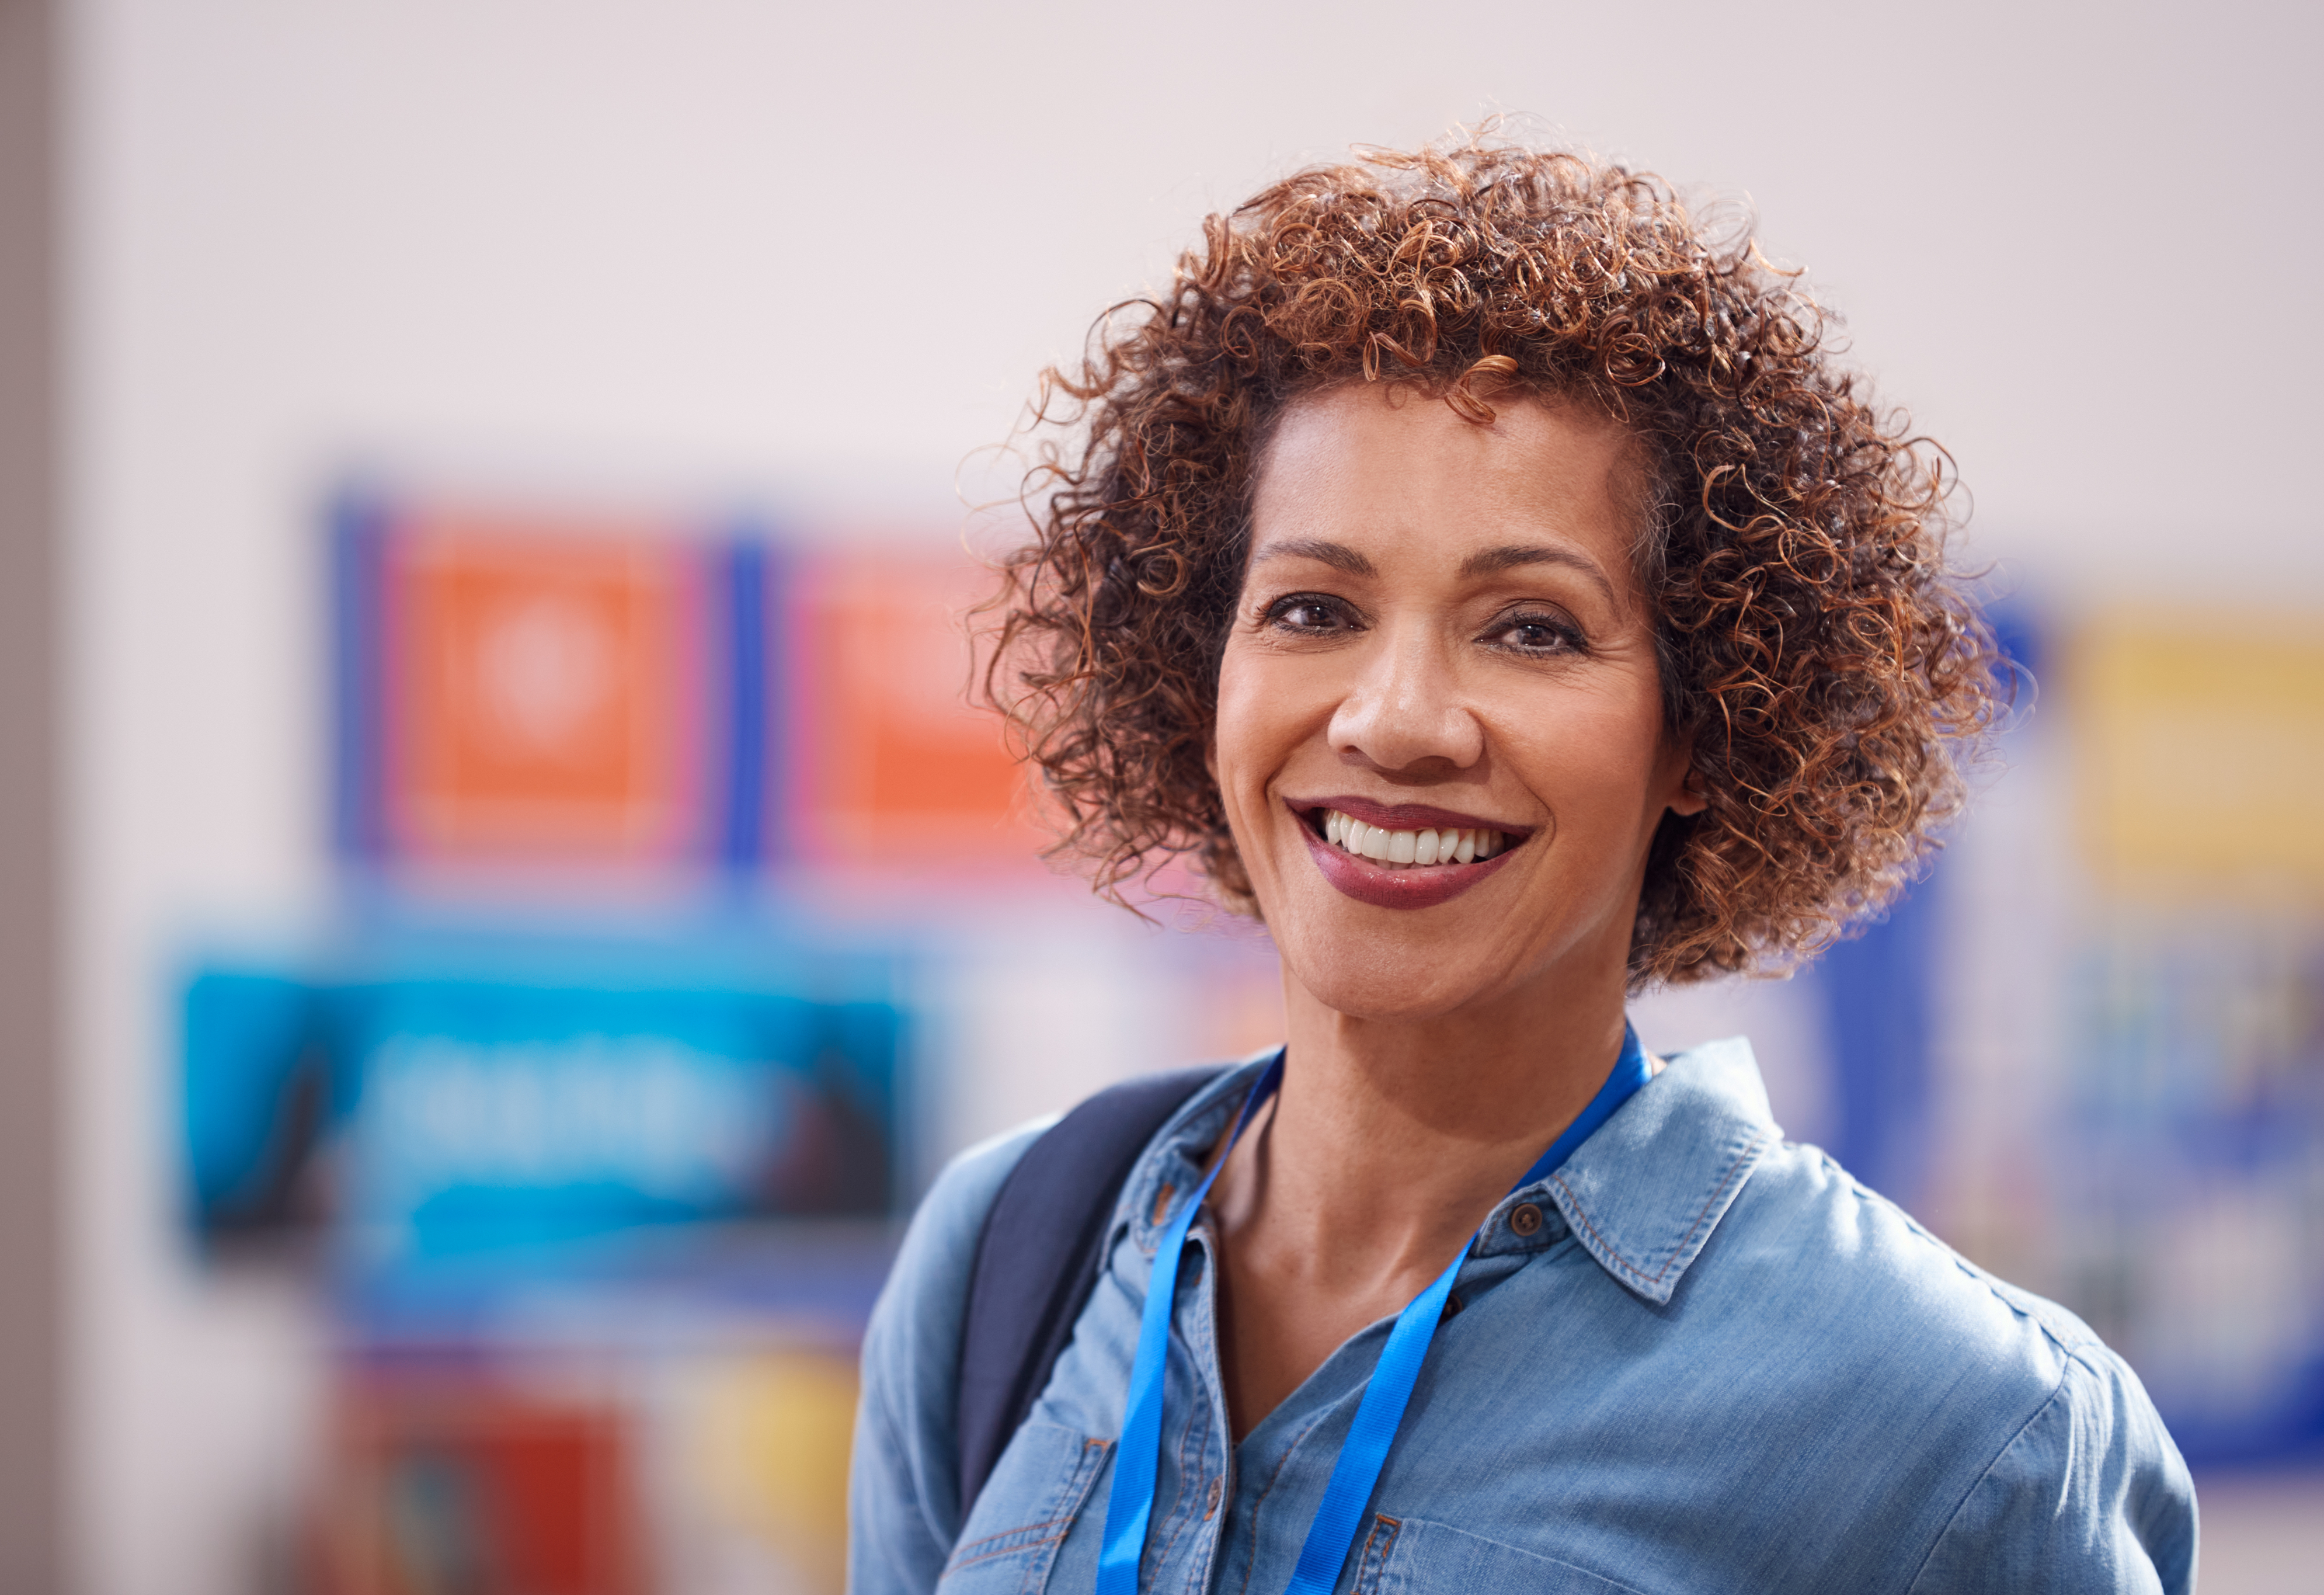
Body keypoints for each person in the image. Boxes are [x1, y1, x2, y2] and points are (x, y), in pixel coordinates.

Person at [848, 134, 2194, 1594]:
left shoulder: (1955, 1430)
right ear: (1204, 669)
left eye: (1531, 628)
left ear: (1701, 724)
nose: (1394, 721)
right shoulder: (1008, 1259)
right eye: (1311, 609)